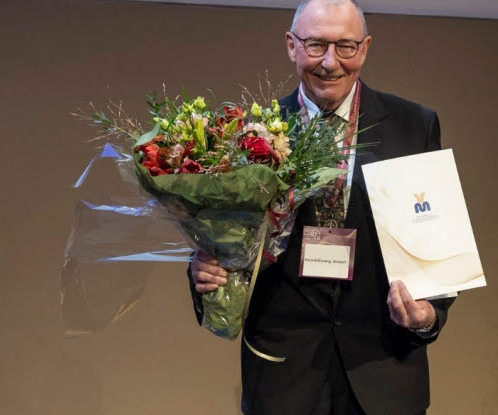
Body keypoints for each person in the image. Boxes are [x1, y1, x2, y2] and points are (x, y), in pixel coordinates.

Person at [189, 1, 455, 414]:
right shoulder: (249, 134)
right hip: (284, 375)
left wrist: (429, 314)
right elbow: (228, 241)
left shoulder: (413, 125)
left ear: (364, 49)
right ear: (291, 46)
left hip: (384, 367)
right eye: (316, 45)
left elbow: (434, 237)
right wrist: (205, 266)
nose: (331, 62)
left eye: (345, 46)